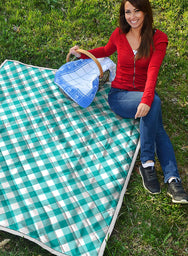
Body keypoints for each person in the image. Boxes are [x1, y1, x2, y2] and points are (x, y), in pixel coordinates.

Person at [69, 0, 188, 204]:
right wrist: (82, 55)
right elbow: (106, 50)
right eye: (128, 12)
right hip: (120, 96)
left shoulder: (159, 39)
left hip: (142, 93)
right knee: (155, 107)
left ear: (146, 11)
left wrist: (147, 99)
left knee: (155, 117)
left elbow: (153, 72)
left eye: (137, 11)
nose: (132, 16)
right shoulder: (119, 34)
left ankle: (169, 176)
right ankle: (153, 166)